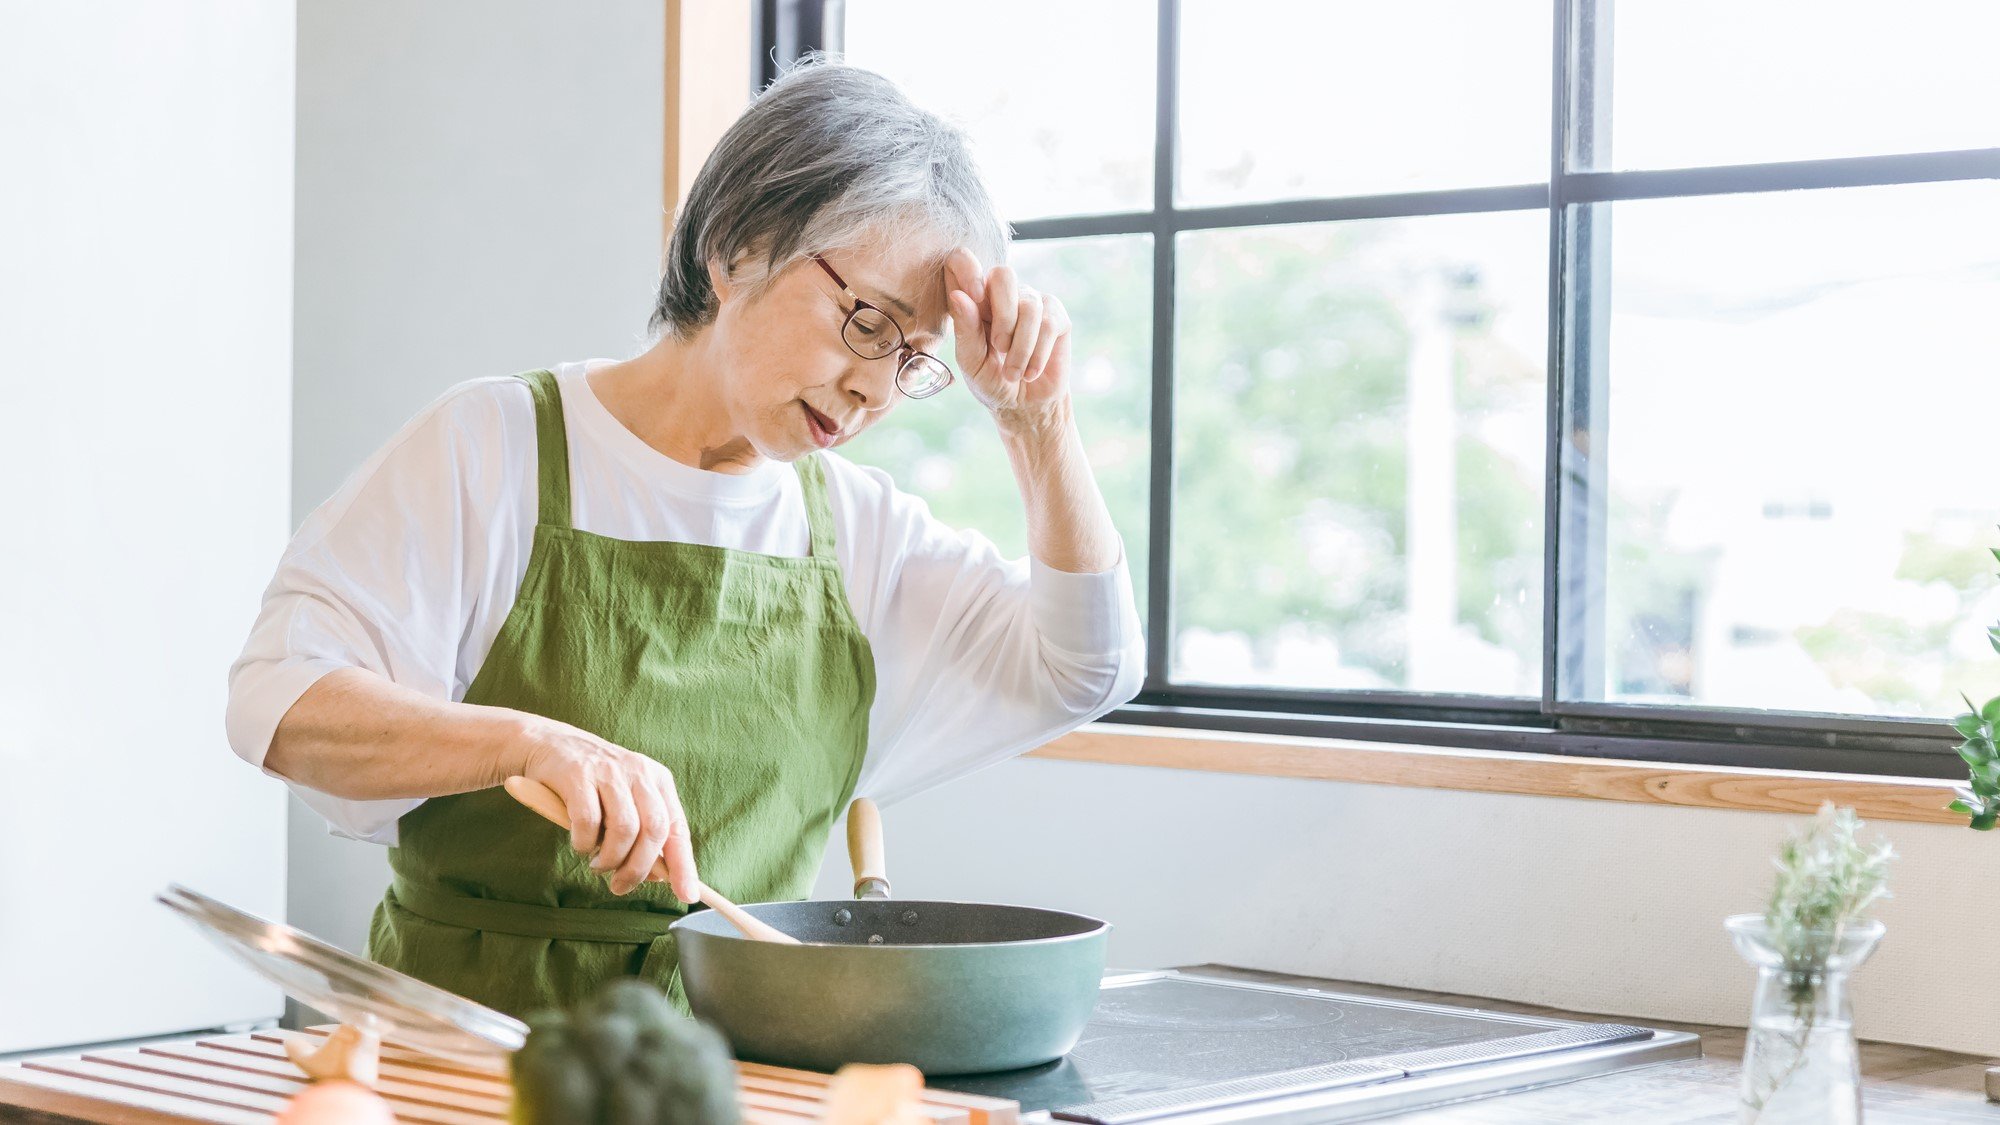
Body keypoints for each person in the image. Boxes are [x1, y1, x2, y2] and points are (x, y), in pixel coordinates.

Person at [225, 61, 1143, 1017]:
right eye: (868, 323)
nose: (877, 387)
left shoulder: (861, 533)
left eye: (912, 359)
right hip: (463, 1054)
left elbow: (1088, 664)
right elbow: (280, 704)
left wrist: (1038, 425)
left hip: (735, 1062)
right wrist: (528, 745)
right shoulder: (492, 447)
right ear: (738, 245)